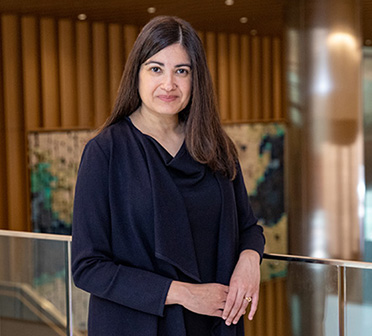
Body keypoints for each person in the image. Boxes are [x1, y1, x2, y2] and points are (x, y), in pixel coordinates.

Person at [71, 15, 265, 336]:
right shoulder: (105, 152)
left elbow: (248, 228)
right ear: (137, 73)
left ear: (196, 79)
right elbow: (87, 268)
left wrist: (248, 261)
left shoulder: (216, 146)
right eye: (156, 68)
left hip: (212, 323)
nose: (169, 84)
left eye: (182, 71)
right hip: (135, 326)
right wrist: (185, 294)